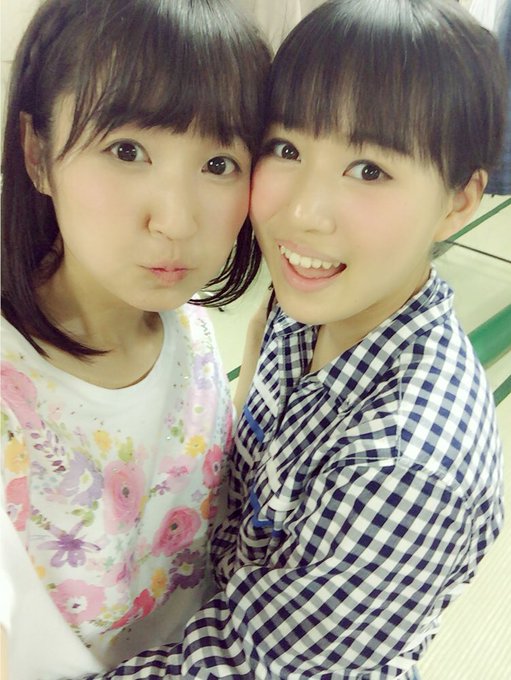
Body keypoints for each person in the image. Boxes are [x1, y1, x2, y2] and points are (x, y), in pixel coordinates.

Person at [81, 0, 506, 678]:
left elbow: (241, 666)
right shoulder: (316, 297)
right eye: (286, 149)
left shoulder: (408, 468)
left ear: (458, 201)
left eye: (369, 169)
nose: (302, 213)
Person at [0, 1, 271, 678]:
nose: (175, 221)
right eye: (127, 151)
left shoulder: (191, 328)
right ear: (37, 154)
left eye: (219, 163)